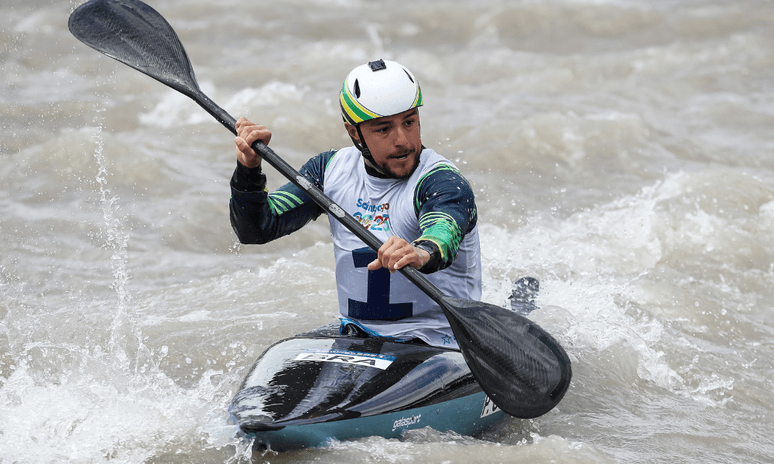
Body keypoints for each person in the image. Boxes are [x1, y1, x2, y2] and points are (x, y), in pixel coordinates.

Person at [229, 59, 481, 349]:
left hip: (436, 342)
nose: (402, 140)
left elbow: (443, 232)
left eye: (409, 122)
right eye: (384, 129)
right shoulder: (328, 171)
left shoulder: (442, 181)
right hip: (357, 337)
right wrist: (248, 169)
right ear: (354, 132)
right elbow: (257, 229)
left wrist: (420, 252)